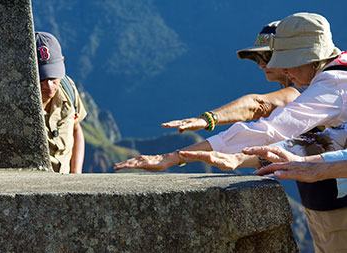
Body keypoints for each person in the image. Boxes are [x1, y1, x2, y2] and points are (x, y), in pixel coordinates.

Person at [114, 12, 346, 174]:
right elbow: (326, 142)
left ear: (311, 58)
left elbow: (268, 124)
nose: (276, 67)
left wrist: (174, 157)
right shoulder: (334, 76)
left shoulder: (330, 85)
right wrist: (237, 157)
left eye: (272, 58)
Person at [162, 21, 304, 134]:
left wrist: (208, 119)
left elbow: (257, 106)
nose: (261, 65)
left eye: (268, 56)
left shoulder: (307, 88)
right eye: (257, 57)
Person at [35, 32, 87, 173]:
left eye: (53, 77)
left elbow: (76, 128)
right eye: (41, 78)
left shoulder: (68, 88)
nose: (49, 85)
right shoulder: (15, 107)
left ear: (62, 61)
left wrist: (76, 173)